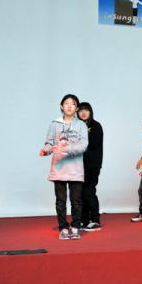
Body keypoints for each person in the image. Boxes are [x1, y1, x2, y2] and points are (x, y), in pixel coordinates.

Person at [39, 94, 88, 240]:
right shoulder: (54, 124)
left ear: (76, 108)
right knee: (60, 201)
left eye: (73, 104)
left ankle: (75, 226)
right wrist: (46, 150)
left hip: (75, 168)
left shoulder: (81, 125)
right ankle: (63, 228)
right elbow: (49, 143)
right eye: (66, 103)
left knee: (76, 201)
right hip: (59, 167)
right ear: (62, 106)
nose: (69, 106)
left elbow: (83, 145)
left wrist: (65, 149)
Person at [77, 102, 104, 231]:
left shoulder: (96, 126)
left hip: (92, 165)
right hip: (78, 165)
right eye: (81, 110)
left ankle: (95, 220)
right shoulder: (75, 126)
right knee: (81, 193)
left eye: (86, 110)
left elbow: (92, 144)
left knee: (89, 192)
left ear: (90, 112)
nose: (83, 112)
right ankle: (84, 220)